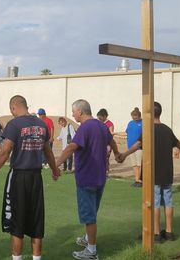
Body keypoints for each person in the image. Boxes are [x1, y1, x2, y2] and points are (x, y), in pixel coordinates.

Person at [0, 95, 60, 260]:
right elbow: (48, 151)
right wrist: (55, 170)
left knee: (17, 224)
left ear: (13, 108)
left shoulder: (14, 124)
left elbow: (4, 153)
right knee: (36, 222)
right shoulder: (42, 124)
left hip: (19, 177)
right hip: (36, 178)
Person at [55, 99, 120, 260]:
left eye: (73, 111)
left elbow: (71, 146)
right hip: (100, 177)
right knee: (92, 210)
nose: (72, 114)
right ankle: (87, 238)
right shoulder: (101, 125)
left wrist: (56, 164)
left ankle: (91, 251)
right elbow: (111, 140)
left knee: (89, 215)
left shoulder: (85, 127)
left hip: (87, 177)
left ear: (80, 112)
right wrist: (117, 153)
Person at [118, 102, 180, 243]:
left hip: (153, 172)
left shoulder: (148, 129)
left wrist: (125, 154)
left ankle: (156, 233)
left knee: (155, 202)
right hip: (167, 171)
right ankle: (169, 232)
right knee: (168, 201)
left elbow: (138, 144)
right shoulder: (167, 130)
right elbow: (178, 143)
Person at [125, 107, 143, 187]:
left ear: (139, 116)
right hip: (130, 147)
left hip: (139, 147)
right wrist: (114, 133)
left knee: (139, 164)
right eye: (133, 117)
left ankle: (140, 180)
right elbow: (127, 133)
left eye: (136, 117)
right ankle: (136, 179)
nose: (134, 119)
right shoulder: (130, 123)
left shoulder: (143, 123)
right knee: (134, 164)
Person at [96, 108, 114, 173]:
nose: (99, 120)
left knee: (105, 158)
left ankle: (106, 172)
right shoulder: (98, 123)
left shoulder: (110, 124)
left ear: (105, 116)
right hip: (99, 143)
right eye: (98, 118)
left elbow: (111, 134)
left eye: (100, 118)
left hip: (107, 144)